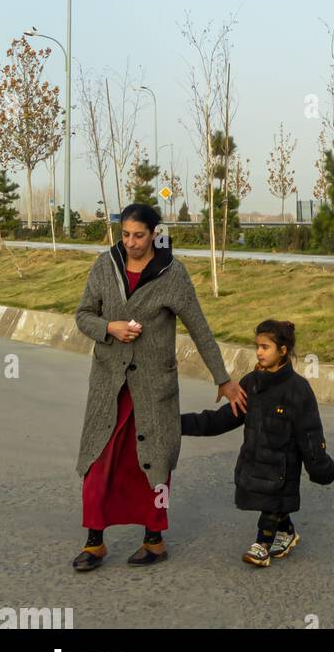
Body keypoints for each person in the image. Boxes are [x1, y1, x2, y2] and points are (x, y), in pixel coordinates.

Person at [72, 204, 247, 572]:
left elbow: (199, 328)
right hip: (110, 387)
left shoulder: (173, 274)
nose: (131, 243)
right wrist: (110, 328)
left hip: (153, 390)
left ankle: (154, 539)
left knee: (155, 463)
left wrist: (224, 379)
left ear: (154, 234)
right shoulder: (105, 267)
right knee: (100, 463)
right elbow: (83, 314)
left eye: (139, 235)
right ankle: (94, 542)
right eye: (125, 235)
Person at [180, 319, 334, 567]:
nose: (259, 352)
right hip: (254, 460)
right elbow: (221, 420)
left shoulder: (298, 389)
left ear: (283, 350)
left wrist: (320, 466)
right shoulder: (251, 383)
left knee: (272, 502)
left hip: (282, 467)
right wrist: (178, 424)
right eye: (258, 347)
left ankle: (261, 545)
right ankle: (286, 533)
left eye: (265, 347)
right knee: (270, 501)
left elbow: (310, 435)